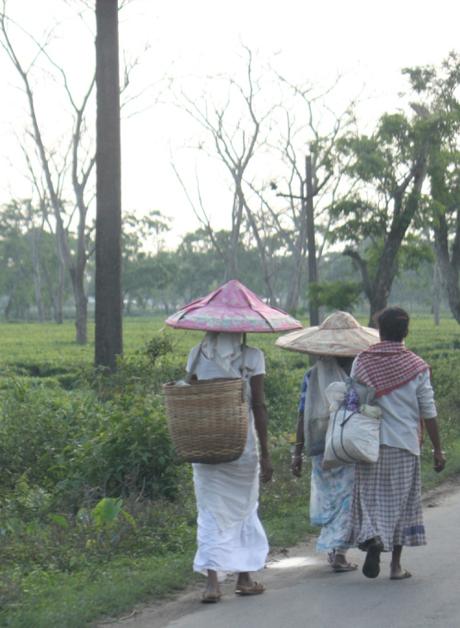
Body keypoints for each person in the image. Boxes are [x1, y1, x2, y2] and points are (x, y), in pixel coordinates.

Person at [348, 306, 446, 580]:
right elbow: (428, 410)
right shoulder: (416, 366)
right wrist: (438, 449)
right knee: (402, 504)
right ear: (406, 332)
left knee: (370, 499)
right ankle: (395, 566)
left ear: (380, 331)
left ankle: (373, 538)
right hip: (404, 445)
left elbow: (352, 400)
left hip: (368, 444)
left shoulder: (362, 361)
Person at [277, 311, 379, 572]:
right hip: (349, 445)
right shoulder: (360, 374)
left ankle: (337, 551)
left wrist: (296, 452)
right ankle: (339, 553)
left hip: (321, 445)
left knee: (331, 498)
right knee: (348, 497)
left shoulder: (312, 376)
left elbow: (303, 414)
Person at [187, 331, 273, 602]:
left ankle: (212, 584)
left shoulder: (196, 355)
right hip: (241, 446)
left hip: (204, 446)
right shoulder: (252, 356)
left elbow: (190, 399)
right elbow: (258, 406)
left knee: (210, 512)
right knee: (245, 509)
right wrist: (266, 453)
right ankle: (244, 578)